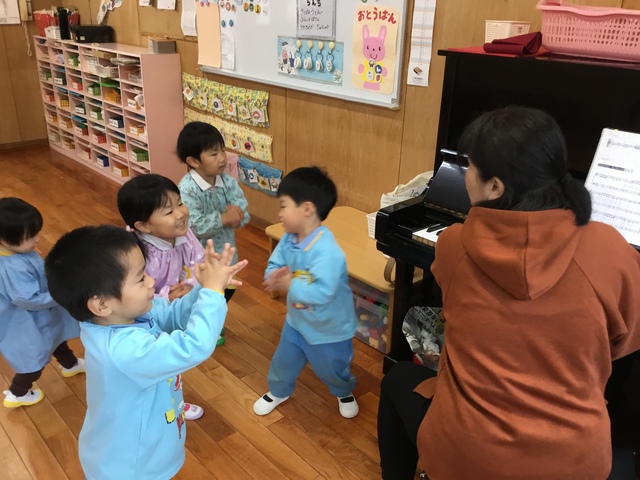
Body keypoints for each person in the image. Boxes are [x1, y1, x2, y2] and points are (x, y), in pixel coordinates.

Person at [377, 106, 640, 480]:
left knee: (397, 379)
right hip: (573, 464)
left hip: (468, 456)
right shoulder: (610, 248)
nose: (465, 177)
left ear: (495, 187)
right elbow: (624, 342)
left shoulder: (455, 245)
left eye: (470, 168)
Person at [44, 225, 247, 480]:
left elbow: (175, 315)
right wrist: (212, 294)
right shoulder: (124, 351)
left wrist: (204, 287)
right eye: (141, 278)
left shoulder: (125, 315)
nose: (151, 281)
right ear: (102, 304)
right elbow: (194, 346)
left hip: (145, 446)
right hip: (132, 466)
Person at [252, 167, 360, 419]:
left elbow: (323, 292)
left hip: (329, 330)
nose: (279, 213)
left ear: (307, 209)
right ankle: (278, 391)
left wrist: (290, 284)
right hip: (296, 322)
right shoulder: (289, 239)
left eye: (283, 206)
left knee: (332, 368)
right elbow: (275, 262)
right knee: (283, 362)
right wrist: (274, 275)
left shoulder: (327, 252)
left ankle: (343, 391)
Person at [117, 173, 220, 422]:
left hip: (175, 308)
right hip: (148, 317)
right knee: (158, 367)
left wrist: (195, 283)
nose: (181, 213)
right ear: (144, 226)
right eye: (169, 211)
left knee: (169, 371)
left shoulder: (184, 234)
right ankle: (164, 407)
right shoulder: (139, 253)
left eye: (180, 203)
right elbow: (138, 293)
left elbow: (198, 261)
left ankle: (174, 402)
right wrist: (168, 296)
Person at [0, 197, 84, 408]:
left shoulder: (18, 252)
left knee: (56, 337)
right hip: (25, 321)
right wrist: (60, 294)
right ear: (4, 240)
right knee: (34, 358)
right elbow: (26, 298)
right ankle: (18, 393)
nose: (37, 239)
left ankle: (70, 364)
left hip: (40, 312)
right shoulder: (11, 267)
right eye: (30, 237)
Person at [176, 121, 250, 306]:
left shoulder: (227, 182)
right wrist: (224, 218)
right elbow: (192, 226)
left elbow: (241, 209)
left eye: (222, 151)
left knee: (226, 291)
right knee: (201, 299)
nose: (222, 158)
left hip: (225, 255)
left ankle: (215, 319)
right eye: (214, 154)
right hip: (198, 260)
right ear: (193, 161)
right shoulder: (187, 189)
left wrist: (238, 217)